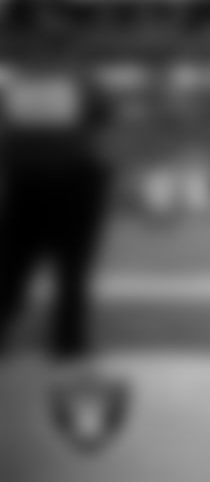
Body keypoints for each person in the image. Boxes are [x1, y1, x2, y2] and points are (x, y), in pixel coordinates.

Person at [0, 54, 127, 440]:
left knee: (31, 273)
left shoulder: (24, 81)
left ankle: (68, 355)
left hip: (52, 177)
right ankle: (68, 355)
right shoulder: (32, 81)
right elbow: (103, 113)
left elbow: (104, 113)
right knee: (33, 273)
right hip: (60, 178)